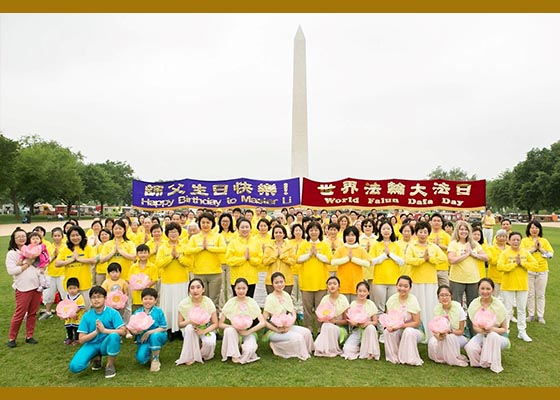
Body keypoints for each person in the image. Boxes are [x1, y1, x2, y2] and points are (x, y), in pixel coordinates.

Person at [68, 286, 126, 378]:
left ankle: (110, 365)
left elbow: (123, 331)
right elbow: (81, 339)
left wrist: (104, 330)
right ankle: (95, 357)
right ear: (90, 300)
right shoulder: (86, 316)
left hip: (106, 343)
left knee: (114, 336)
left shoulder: (113, 313)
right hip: (92, 344)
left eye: (99, 297)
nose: (96, 300)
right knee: (74, 367)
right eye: (93, 297)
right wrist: (96, 332)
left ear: (105, 298)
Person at [405, 221, 447, 343]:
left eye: (425, 232)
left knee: (430, 307)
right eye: (420, 232)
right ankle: (416, 333)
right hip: (416, 281)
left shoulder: (433, 247)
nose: (423, 234)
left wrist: (431, 259)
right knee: (416, 307)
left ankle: (431, 333)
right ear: (416, 233)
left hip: (430, 281)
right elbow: (408, 259)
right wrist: (422, 260)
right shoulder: (412, 246)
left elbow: (443, 258)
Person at [262, 272, 314, 360]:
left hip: (287, 326)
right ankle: (278, 347)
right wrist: (277, 329)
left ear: (284, 282)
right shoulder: (270, 298)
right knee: (298, 337)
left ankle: (309, 350)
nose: (279, 284)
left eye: (281, 282)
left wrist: (289, 326)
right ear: (272, 284)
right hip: (274, 330)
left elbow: (293, 314)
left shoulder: (286, 295)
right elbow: (263, 320)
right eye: (276, 282)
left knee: (307, 332)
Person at [447, 220, 488, 331]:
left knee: (473, 307)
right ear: (457, 231)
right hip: (457, 279)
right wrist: (466, 254)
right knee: (456, 306)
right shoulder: (453, 244)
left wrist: (473, 254)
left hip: (473, 279)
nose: (463, 231)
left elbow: (486, 257)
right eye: (461, 229)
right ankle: (456, 330)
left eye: (466, 229)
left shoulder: (474, 244)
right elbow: (451, 260)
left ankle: (473, 331)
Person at [497, 232, 538, 342]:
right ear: (509, 241)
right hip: (508, 286)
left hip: (522, 285)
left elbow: (535, 265)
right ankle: (506, 330)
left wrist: (522, 264)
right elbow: (500, 267)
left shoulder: (525, 253)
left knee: (521, 309)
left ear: (520, 241)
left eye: (518, 240)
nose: (516, 242)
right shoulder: (505, 253)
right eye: (513, 240)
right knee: (507, 310)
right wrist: (515, 264)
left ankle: (522, 331)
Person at [6, 228, 43, 348]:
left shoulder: (32, 250)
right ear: (14, 239)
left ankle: (29, 336)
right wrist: (27, 263)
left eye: (23, 236)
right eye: (18, 237)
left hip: (36, 286)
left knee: (33, 313)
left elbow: (40, 264)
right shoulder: (12, 253)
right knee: (20, 314)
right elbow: (12, 270)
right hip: (23, 287)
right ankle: (12, 337)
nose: (22, 238)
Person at [464, 278, 509, 373]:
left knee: (492, 336)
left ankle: (492, 362)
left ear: (492, 290)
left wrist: (492, 329)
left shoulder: (499, 305)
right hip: (482, 334)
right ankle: (480, 362)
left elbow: (504, 329)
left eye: (488, 289)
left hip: (498, 336)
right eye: (482, 288)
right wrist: (481, 331)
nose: (485, 291)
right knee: (470, 348)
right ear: (478, 290)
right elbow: (474, 327)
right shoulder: (475, 304)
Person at [155, 222, 191, 341]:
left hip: (182, 281)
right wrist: (171, 256)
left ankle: (181, 328)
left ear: (179, 233)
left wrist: (179, 257)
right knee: (169, 306)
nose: (173, 234)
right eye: (171, 232)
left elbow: (189, 263)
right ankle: (169, 329)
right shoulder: (163, 247)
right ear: (167, 234)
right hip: (168, 282)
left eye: (175, 231)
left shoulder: (185, 246)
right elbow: (159, 264)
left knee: (182, 305)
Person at [295, 221, 332, 333]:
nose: (314, 232)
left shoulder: (324, 245)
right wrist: (309, 255)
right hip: (306, 282)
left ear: (320, 231)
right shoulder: (303, 245)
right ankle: (308, 329)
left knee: (320, 308)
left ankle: (321, 328)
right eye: (311, 230)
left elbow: (329, 260)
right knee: (307, 309)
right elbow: (298, 259)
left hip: (321, 282)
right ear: (308, 231)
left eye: (316, 230)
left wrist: (317, 255)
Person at [219, 278, 266, 364]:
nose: (241, 291)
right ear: (234, 289)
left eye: (243, 288)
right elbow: (220, 324)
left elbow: (262, 322)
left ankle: (244, 348)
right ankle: (234, 354)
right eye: (238, 288)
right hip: (234, 332)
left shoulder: (251, 302)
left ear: (247, 289)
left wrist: (248, 332)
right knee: (229, 330)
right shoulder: (231, 302)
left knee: (250, 350)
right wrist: (234, 328)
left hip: (248, 331)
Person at [369, 220, 404, 336]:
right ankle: (381, 330)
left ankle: (391, 329)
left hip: (394, 281)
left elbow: (402, 261)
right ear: (380, 231)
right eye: (383, 228)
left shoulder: (396, 245)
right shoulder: (375, 245)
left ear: (392, 230)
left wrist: (390, 254)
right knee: (379, 307)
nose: (386, 231)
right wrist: (384, 255)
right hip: (379, 280)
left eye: (388, 228)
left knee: (392, 307)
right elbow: (372, 261)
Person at [185, 212, 227, 308]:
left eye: (208, 222)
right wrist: (200, 248)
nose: (205, 225)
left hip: (215, 273)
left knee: (214, 299)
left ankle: (213, 321)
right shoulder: (195, 238)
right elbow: (187, 251)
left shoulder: (218, 236)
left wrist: (209, 248)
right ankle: (202, 320)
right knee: (201, 299)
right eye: (203, 222)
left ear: (212, 223)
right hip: (199, 272)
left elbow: (223, 249)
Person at [382, 275, 424, 366]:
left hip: (413, 330)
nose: (402, 288)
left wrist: (401, 326)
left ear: (410, 288)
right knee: (387, 332)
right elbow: (389, 318)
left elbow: (417, 322)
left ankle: (408, 358)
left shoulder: (413, 300)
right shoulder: (392, 299)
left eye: (405, 286)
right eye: (400, 285)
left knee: (408, 331)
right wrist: (390, 326)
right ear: (396, 286)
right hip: (397, 329)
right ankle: (394, 357)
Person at [176, 278, 219, 366]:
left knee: (210, 343)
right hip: (190, 329)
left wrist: (204, 331)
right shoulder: (184, 303)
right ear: (189, 290)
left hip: (205, 327)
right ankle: (190, 355)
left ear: (203, 289)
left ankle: (201, 354)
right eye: (192, 288)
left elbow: (215, 323)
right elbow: (180, 324)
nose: (195, 290)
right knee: (188, 328)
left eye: (198, 287)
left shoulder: (208, 302)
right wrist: (190, 321)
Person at [55, 225, 96, 310]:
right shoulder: (65, 250)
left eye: (77, 235)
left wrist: (79, 259)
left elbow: (93, 260)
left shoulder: (87, 248)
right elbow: (57, 263)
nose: (75, 238)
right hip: (70, 285)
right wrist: (71, 260)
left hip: (85, 283)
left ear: (82, 236)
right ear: (69, 237)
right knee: (70, 310)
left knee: (85, 308)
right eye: (72, 236)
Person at [520, 220, 554, 324]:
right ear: (528, 229)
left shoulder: (544, 241)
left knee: (540, 294)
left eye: (536, 228)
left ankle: (540, 315)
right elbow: (522, 253)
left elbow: (550, 255)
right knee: (530, 294)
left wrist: (541, 249)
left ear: (539, 229)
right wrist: (533, 249)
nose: (534, 230)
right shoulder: (525, 241)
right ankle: (531, 314)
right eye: (532, 228)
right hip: (529, 270)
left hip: (542, 270)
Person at [427, 285, 468, 367]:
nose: (444, 298)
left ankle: (452, 358)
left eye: (447, 295)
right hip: (442, 335)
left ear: (451, 296)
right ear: (438, 298)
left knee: (448, 338)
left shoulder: (458, 308)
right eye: (441, 295)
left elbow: (461, 331)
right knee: (432, 341)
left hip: (458, 336)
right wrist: (438, 335)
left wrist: (450, 331)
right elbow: (435, 329)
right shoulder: (437, 309)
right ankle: (441, 358)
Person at [128, 288, 168, 372]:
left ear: (155, 300)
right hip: (143, 339)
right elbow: (132, 329)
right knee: (141, 358)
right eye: (145, 299)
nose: (148, 301)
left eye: (151, 299)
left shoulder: (158, 311)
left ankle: (155, 359)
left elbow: (163, 327)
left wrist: (149, 332)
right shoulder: (138, 312)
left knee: (154, 336)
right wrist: (136, 332)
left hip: (158, 335)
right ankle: (150, 352)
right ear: (141, 300)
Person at [341, 281, 380, 361]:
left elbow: (375, 322)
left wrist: (366, 323)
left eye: (364, 291)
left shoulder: (371, 304)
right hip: (357, 330)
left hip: (368, 331)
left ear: (368, 293)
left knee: (371, 327)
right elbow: (349, 321)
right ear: (356, 292)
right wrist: (354, 323)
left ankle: (370, 351)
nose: (362, 293)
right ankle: (359, 348)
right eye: (360, 291)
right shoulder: (353, 304)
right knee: (347, 349)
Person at [224, 218, 263, 298]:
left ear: (250, 228)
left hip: (251, 277)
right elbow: (228, 260)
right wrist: (243, 259)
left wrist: (250, 259)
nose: (245, 229)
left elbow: (260, 259)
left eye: (247, 227)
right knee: (237, 301)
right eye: (242, 227)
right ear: (238, 229)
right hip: (237, 277)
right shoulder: (233, 242)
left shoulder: (256, 242)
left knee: (249, 300)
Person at [331, 226, 371, 302]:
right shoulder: (340, 249)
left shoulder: (360, 249)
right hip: (343, 283)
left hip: (356, 284)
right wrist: (347, 259)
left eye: (353, 235)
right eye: (348, 235)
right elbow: (333, 262)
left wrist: (353, 259)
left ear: (356, 237)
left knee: (355, 309)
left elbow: (367, 264)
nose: (350, 237)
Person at [313, 276, 350, 357]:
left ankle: (331, 350)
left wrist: (334, 321)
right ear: (327, 287)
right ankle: (325, 348)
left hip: (340, 329)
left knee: (328, 326)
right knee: (316, 344)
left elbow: (347, 321)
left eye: (334, 284)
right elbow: (319, 316)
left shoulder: (343, 299)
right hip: (326, 327)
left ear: (339, 286)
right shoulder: (325, 299)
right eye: (329, 284)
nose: (332, 286)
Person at [38, 227, 66, 320]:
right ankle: (48, 311)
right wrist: (54, 255)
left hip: (63, 273)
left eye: (59, 235)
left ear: (62, 236)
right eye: (55, 236)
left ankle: (66, 312)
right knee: (48, 294)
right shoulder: (48, 247)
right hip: (50, 273)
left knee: (65, 294)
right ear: (52, 237)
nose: (57, 237)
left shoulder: (66, 247)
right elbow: (46, 261)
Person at [263, 225, 297, 295]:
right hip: (271, 280)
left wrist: (282, 256)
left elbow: (293, 262)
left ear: (284, 234)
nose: (278, 234)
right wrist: (275, 256)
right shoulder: (269, 246)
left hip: (287, 280)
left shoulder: (289, 246)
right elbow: (265, 262)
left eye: (280, 232)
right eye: (276, 232)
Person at [129, 244, 158, 313]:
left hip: (149, 295)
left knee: (150, 313)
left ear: (149, 254)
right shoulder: (133, 267)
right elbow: (130, 279)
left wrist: (146, 286)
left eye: (145, 252)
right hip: (136, 296)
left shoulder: (152, 266)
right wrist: (136, 285)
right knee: (137, 313)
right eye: (140, 253)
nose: (143, 255)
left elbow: (154, 279)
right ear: (137, 254)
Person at [61, 277, 86, 345]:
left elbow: (81, 306)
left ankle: (77, 339)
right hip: (69, 318)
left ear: (78, 288)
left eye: (74, 288)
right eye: (70, 288)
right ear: (67, 289)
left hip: (77, 317)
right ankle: (70, 338)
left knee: (76, 329)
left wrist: (74, 312)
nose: (72, 290)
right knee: (69, 328)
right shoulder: (67, 297)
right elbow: (64, 306)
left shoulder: (79, 297)